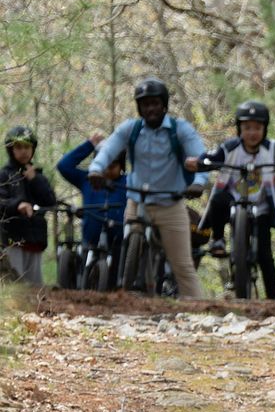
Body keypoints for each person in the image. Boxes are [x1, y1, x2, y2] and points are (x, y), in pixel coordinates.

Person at [87, 78, 216, 301]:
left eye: (155, 103)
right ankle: (125, 297)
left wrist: (199, 182)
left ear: (164, 105)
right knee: (128, 243)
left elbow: (200, 158)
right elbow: (108, 150)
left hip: (171, 204)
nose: (150, 109)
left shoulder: (180, 130)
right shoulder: (131, 129)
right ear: (139, 108)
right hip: (137, 201)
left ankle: (200, 313)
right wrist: (96, 170)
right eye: (145, 104)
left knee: (183, 266)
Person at [201, 101, 275, 301]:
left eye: (257, 128)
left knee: (265, 255)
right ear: (239, 128)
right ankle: (219, 239)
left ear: (264, 129)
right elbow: (210, 157)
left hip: (261, 207)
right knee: (219, 198)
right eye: (247, 128)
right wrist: (199, 161)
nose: (252, 133)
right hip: (233, 203)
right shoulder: (230, 148)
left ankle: (273, 300)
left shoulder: (271, 148)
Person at [57, 131, 126, 264]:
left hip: (119, 244)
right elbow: (63, 166)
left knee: (115, 281)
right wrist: (89, 145)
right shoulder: (87, 180)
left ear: (121, 165)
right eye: (103, 164)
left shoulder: (128, 182)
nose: (107, 170)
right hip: (90, 242)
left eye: (112, 166)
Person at [0, 125, 56, 284]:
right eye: (18, 147)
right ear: (11, 149)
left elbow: (50, 201)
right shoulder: (5, 175)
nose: (23, 151)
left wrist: (35, 180)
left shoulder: (37, 176)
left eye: (27, 147)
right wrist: (18, 205)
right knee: (15, 283)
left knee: (35, 285)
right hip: (12, 238)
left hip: (35, 239)